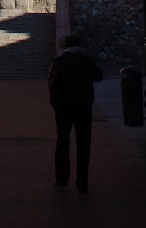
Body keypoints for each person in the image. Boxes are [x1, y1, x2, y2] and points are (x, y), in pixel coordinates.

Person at [47, 33, 103, 193]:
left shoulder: (58, 62)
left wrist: (55, 104)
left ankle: (61, 179)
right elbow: (99, 76)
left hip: (63, 107)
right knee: (84, 144)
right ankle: (82, 182)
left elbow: (52, 84)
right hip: (83, 107)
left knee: (62, 141)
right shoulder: (86, 61)